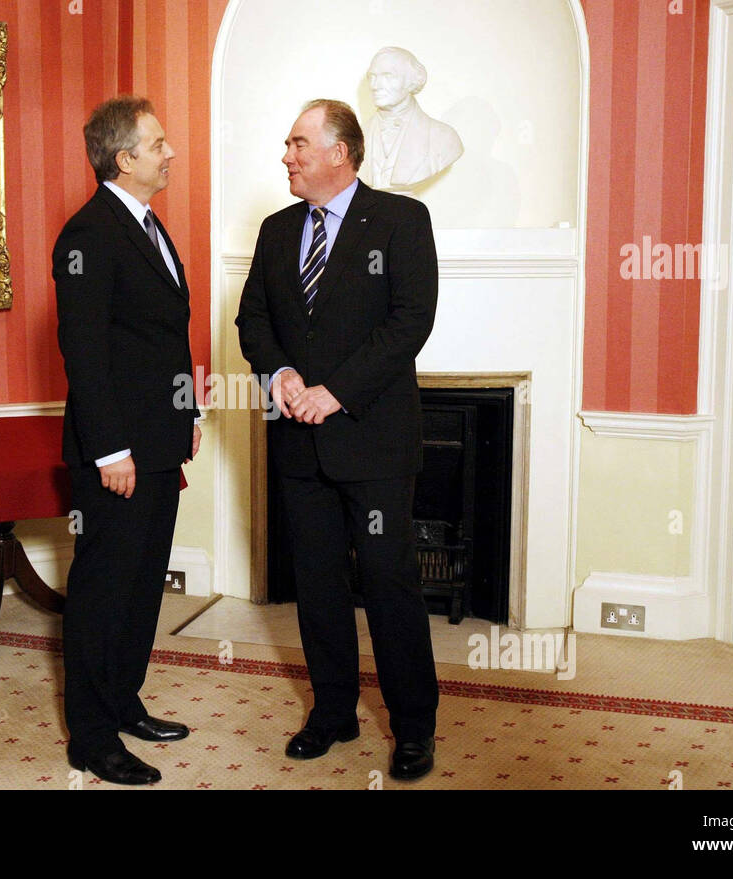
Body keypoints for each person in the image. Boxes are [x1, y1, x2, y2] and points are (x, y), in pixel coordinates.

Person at [235, 99, 440, 781]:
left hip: (373, 441)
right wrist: (285, 373)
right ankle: (332, 712)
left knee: (388, 582)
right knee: (317, 585)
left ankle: (413, 727)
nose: (286, 155)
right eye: (287, 143)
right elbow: (252, 321)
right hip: (298, 445)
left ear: (339, 152)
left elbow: (410, 322)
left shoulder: (402, 220)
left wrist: (336, 391)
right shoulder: (275, 230)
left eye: (297, 143)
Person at [52, 95, 202, 785]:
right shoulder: (87, 235)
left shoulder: (147, 225)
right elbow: (83, 352)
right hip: (117, 455)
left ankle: (123, 701)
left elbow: (157, 339)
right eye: (159, 142)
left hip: (159, 442)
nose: (171, 151)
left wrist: (186, 414)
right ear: (126, 158)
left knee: (143, 585)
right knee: (103, 589)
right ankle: (90, 736)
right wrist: (111, 450)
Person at [363, 47, 463, 191]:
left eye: (388, 76)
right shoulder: (356, 136)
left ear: (413, 81)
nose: (375, 86)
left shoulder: (443, 137)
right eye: (372, 77)